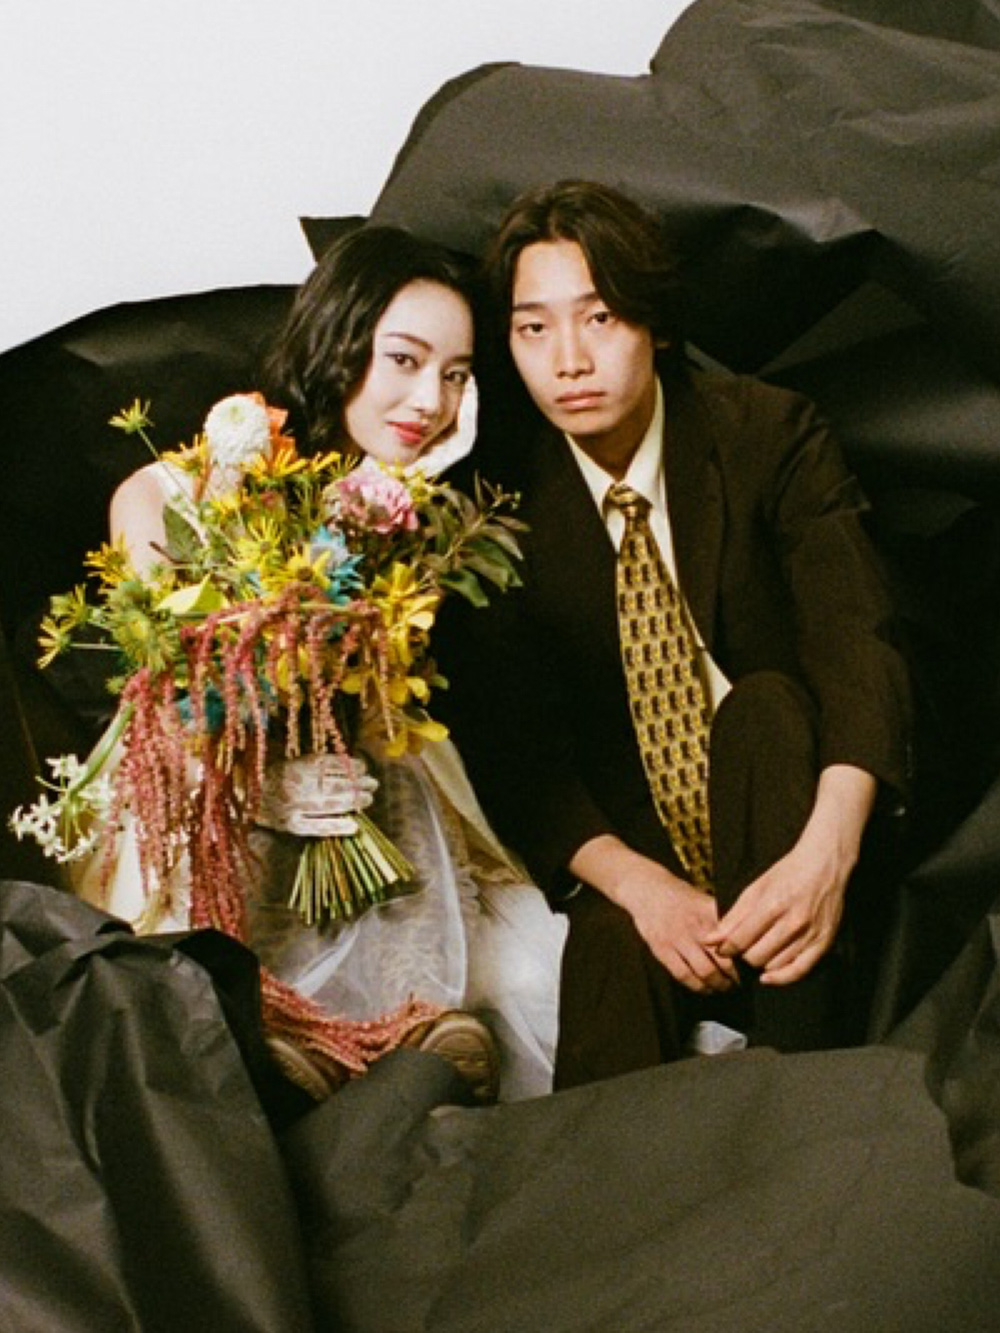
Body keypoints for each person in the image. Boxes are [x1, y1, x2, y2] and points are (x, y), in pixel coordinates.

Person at [74, 225, 567, 1104]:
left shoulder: (410, 528)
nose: (431, 400)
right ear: (339, 343)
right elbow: (165, 697)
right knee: (192, 964)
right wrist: (254, 784)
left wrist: (413, 493)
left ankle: (385, 1035)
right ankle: (290, 1034)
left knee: (517, 964)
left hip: (356, 783)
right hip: (198, 795)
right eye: (405, 360)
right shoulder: (168, 496)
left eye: (457, 375)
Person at [437, 180, 912, 1089]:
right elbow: (519, 751)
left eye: (600, 318)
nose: (569, 360)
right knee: (611, 949)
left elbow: (858, 638)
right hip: (637, 846)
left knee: (764, 711)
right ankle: (605, 1174)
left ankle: (801, 1106)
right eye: (534, 328)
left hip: (791, 809)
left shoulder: (766, 434)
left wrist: (828, 854)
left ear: (653, 322)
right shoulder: (496, 502)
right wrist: (641, 887)